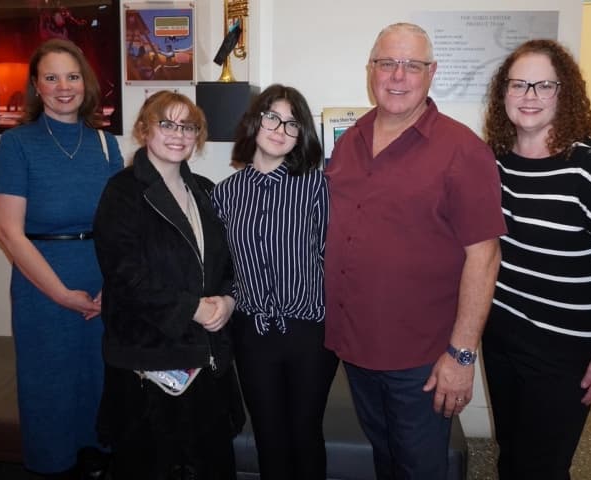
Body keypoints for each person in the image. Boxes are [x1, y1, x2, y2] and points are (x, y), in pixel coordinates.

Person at [324, 23, 505, 478]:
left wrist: (462, 356)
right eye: (387, 63)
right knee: (385, 459)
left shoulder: (463, 150)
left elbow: (484, 256)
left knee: (420, 468)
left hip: (422, 360)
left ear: (432, 73)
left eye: (412, 65)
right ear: (371, 70)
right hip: (358, 347)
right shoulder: (350, 141)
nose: (398, 76)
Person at [482, 39, 591, 479]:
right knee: (512, 452)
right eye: (518, 84)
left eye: (544, 85)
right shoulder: (496, 162)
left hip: (564, 349)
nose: (530, 96)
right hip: (502, 336)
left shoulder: (589, 162)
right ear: (503, 93)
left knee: (543, 465)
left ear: (565, 93)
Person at [0, 38, 124, 478]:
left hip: (104, 290)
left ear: (84, 82)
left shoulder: (106, 145)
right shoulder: (17, 145)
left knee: (102, 386)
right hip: (43, 293)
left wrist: (113, 287)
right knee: (50, 393)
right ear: (36, 86)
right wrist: (63, 294)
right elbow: (9, 232)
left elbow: (122, 225)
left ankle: (98, 460)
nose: (63, 86)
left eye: (72, 76)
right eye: (51, 77)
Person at [92, 90, 244, 479]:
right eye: (167, 124)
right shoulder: (122, 192)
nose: (178, 134)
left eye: (187, 126)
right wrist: (191, 307)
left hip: (204, 356)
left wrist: (227, 300)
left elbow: (229, 263)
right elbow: (125, 274)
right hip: (148, 359)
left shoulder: (207, 191)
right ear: (145, 130)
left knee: (209, 463)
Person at [212, 84, 339, 480]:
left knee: (304, 433)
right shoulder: (226, 193)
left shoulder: (318, 187)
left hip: (310, 333)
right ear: (255, 122)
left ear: (302, 135)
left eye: (293, 123)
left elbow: (332, 257)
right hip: (251, 333)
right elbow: (221, 267)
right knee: (268, 435)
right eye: (273, 117)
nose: (281, 128)